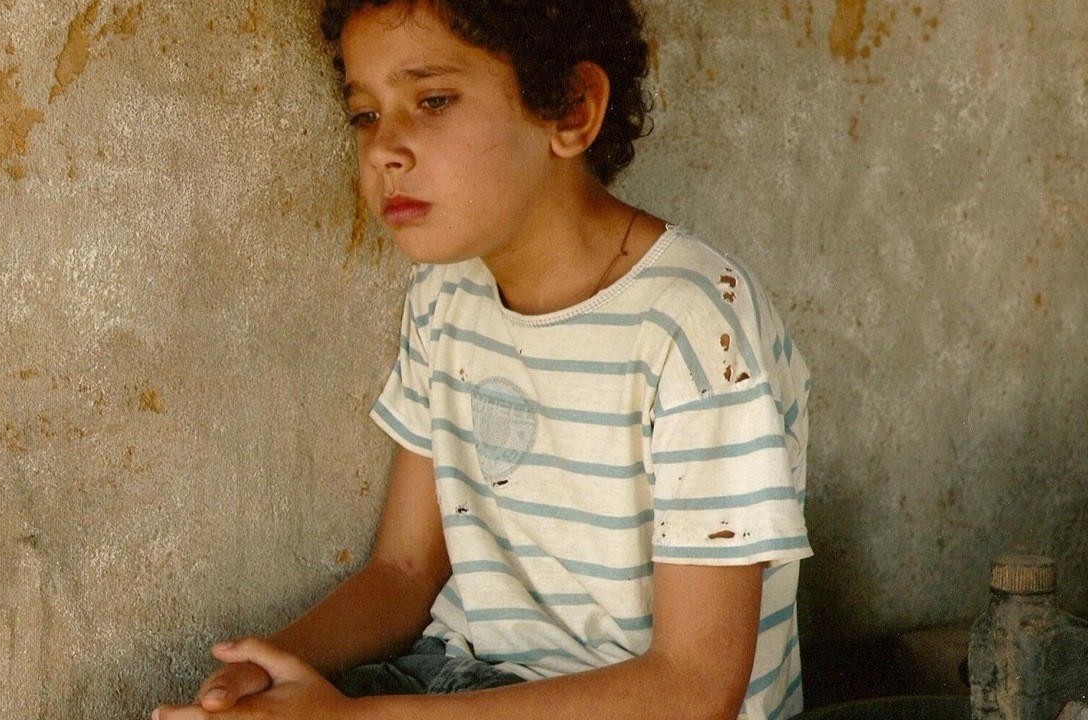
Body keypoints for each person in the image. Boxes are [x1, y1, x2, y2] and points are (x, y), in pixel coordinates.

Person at [153, 0, 811, 718]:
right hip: (447, 684)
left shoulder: (694, 324)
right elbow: (403, 573)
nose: (382, 151)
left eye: (432, 101)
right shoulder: (445, 296)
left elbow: (693, 687)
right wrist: (268, 668)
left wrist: (355, 719)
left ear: (571, 109)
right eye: (365, 115)